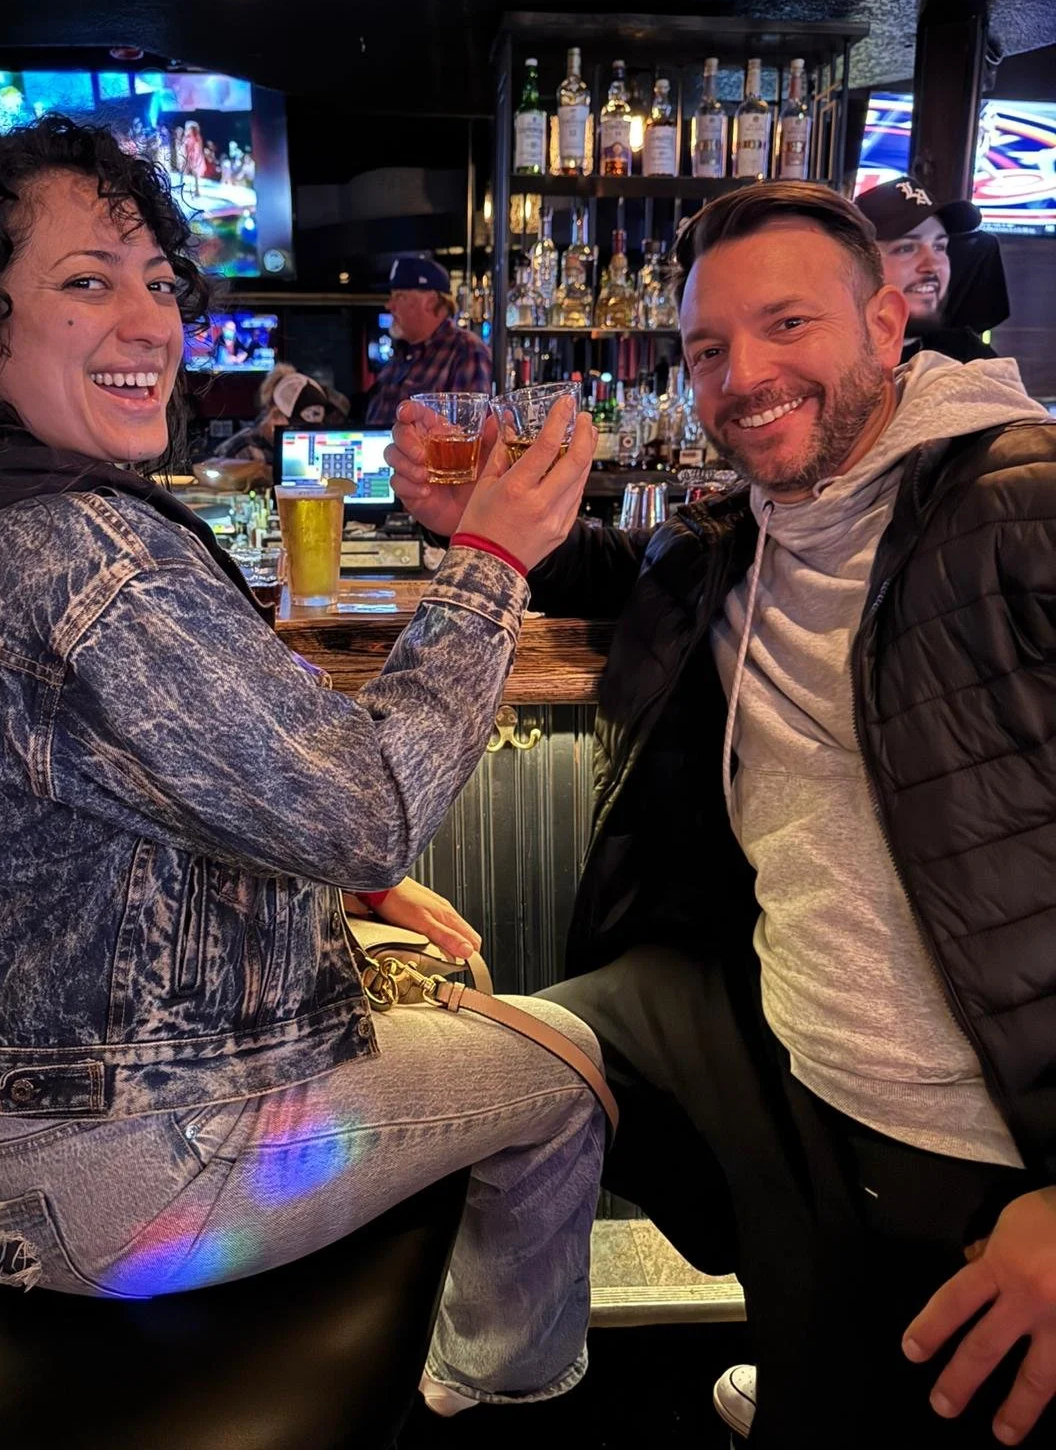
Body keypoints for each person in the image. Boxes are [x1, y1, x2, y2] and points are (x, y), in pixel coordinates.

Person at [0, 116, 608, 1418]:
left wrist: (347, 900)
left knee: (422, 962)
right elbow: (369, 812)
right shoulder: (81, 556)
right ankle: (502, 1401)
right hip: (126, 1170)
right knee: (569, 1067)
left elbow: (121, 806)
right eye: (86, 281)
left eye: (159, 282)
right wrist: (488, 563)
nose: (149, 320)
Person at [388, 181, 1056, 1447]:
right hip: (789, 1055)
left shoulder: (1021, 501)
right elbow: (629, 584)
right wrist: (483, 531)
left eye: (787, 326)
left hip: (984, 1142)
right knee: (507, 1041)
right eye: (707, 349)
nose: (743, 375)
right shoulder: (738, 540)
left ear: (889, 317)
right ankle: (504, 1372)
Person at [856, 174, 1000, 364]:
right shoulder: (824, 358)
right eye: (906, 248)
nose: (932, 266)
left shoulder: (968, 359)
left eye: (939, 247)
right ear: (856, 265)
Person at [363, 256, 491, 428]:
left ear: (430, 301)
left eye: (400, 297)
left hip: (422, 455)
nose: (389, 305)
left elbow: (469, 433)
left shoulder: (465, 349)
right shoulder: (403, 352)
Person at [194, 365, 351, 488]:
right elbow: (206, 471)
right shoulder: (249, 446)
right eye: (300, 425)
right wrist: (262, 472)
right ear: (277, 417)